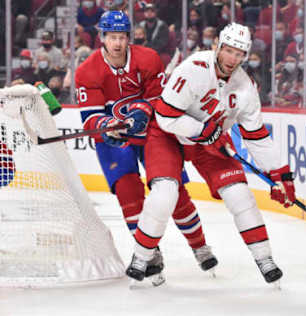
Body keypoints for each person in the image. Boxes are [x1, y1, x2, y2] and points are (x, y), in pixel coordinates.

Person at [125, 22, 296, 284]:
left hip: (210, 141)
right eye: (229, 51)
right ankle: (141, 256)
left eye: (239, 54)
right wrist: (202, 129)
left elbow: (257, 136)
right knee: (165, 193)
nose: (232, 59)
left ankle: (264, 258)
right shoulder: (194, 68)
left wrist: (282, 175)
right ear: (218, 46)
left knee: (240, 194)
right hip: (167, 136)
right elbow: (166, 117)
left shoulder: (246, 87)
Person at [74, 11, 218, 282]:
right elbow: (90, 117)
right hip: (116, 139)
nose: (117, 43)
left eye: (121, 37)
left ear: (129, 37)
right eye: (111, 37)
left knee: (174, 192)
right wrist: (108, 130)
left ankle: (200, 246)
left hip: (152, 132)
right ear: (102, 38)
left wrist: (143, 109)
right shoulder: (87, 71)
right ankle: (150, 254)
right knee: (129, 195)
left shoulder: (148, 58)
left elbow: (160, 102)